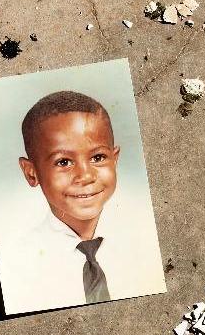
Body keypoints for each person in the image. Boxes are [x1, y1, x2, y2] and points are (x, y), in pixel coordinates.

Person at [10, 90, 149, 312]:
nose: (85, 176)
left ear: (115, 160)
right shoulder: (18, 268)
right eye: (64, 162)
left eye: (98, 158)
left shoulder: (146, 241)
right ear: (31, 173)